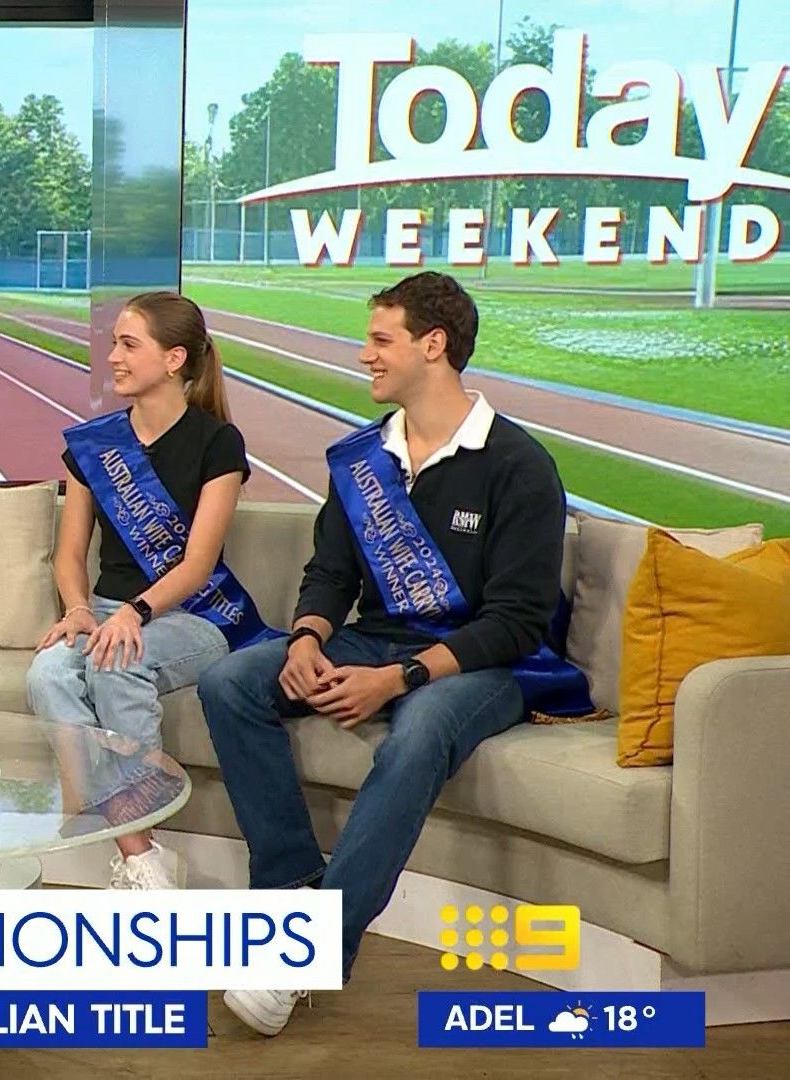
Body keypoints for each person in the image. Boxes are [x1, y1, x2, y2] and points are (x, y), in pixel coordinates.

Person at [202, 271, 594, 1036]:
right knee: (231, 681)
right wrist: (308, 637)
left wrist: (399, 678)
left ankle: (309, 954)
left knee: (420, 729)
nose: (365, 355)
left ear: (433, 345)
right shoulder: (364, 459)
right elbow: (330, 573)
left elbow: (517, 622)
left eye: (381, 340)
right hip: (374, 636)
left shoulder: (518, 464)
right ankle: (289, 889)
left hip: (485, 664)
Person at [26, 291, 279, 890]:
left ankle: (131, 837)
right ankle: (142, 855)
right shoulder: (93, 447)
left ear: (173, 359)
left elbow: (198, 565)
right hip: (106, 610)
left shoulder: (218, 443)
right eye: (114, 343)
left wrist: (135, 613)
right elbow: (69, 554)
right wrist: (80, 609)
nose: (113, 356)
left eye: (128, 344)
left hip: (194, 615)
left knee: (117, 662)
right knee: (47, 673)